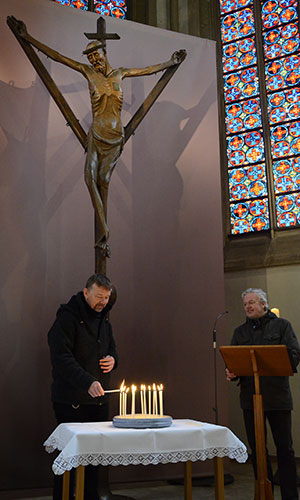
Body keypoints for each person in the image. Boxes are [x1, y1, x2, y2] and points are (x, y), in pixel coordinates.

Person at [9, 16, 186, 257]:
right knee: (88, 177)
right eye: (90, 57)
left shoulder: (120, 74)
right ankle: (105, 230)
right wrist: (27, 37)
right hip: (96, 134)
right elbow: (59, 57)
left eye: (96, 55)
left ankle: (103, 233)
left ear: (104, 53)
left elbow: (146, 71)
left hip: (115, 137)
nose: (93, 60)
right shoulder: (87, 73)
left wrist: (170, 62)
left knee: (103, 179)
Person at [48, 273, 118, 500]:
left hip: (98, 400)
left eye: (107, 298)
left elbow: (112, 348)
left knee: (93, 460)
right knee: (68, 458)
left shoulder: (104, 317)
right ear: (86, 292)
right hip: (72, 401)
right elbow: (61, 358)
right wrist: (87, 381)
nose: (103, 302)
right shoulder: (67, 318)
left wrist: (113, 359)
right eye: (99, 297)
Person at [226, 288, 300, 500]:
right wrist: (232, 372)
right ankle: (263, 493)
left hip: (277, 398)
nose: (248, 307)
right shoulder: (240, 332)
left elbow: (294, 354)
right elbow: (234, 362)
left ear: (263, 304)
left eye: (252, 302)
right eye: (245, 304)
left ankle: (289, 496)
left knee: (284, 449)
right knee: (257, 450)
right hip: (250, 399)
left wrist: (277, 359)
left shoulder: (282, 326)